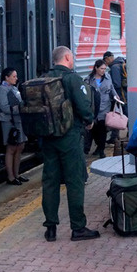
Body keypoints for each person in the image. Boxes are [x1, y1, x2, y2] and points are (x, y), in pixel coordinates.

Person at [41, 46, 100, 242]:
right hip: (69, 137)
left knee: (50, 181)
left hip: (48, 138)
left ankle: (50, 228)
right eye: (72, 57)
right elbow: (83, 106)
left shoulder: (43, 79)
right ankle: (78, 227)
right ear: (67, 57)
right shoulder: (72, 79)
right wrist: (89, 119)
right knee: (75, 181)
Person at [0, 67, 28, 186]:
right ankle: (10, 177)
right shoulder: (2, 89)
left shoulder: (14, 88)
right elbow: (4, 107)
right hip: (9, 122)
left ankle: (17, 174)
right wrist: (20, 108)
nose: (16, 78)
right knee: (11, 148)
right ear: (7, 77)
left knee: (20, 147)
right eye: (14, 76)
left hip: (18, 121)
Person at [85, 59, 115, 158]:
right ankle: (98, 147)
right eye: (101, 68)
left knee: (102, 129)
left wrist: (116, 96)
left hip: (104, 107)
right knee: (94, 130)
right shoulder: (88, 80)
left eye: (104, 69)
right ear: (96, 68)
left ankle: (101, 150)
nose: (103, 71)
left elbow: (112, 88)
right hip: (93, 108)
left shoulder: (108, 77)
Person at [104, 51, 127, 143]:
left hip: (119, 95)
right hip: (123, 94)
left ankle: (114, 137)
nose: (106, 63)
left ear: (108, 58)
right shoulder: (121, 63)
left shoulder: (114, 67)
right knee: (120, 114)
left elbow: (116, 84)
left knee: (118, 114)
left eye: (106, 60)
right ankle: (114, 136)